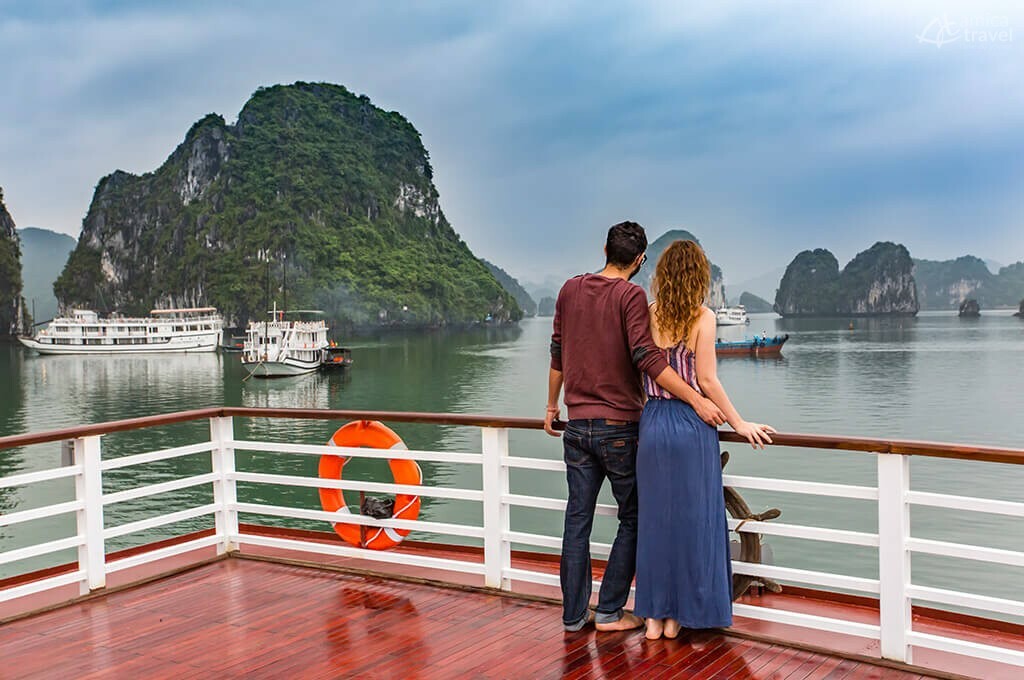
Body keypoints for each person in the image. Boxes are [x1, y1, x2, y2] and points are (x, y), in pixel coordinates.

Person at [544, 221, 727, 633]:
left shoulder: (570, 289)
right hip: (621, 427)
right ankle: (609, 611)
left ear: (603, 247)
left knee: (577, 520)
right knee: (635, 516)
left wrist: (550, 405)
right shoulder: (631, 295)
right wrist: (696, 398)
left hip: (576, 425)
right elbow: (648, 359)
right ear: (640, 260)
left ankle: (574, 615)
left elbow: (557, 351)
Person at [634, 239, 775, 640]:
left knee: (656, 521)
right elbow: (708, 380)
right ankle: (680, 615)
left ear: (662, 276)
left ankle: (653, 617)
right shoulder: (703, 317)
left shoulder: (647, 315)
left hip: (653, 423)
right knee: (692, 522)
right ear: (699, 277)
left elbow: (642, 376)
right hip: (693, 424)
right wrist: (740, 421)